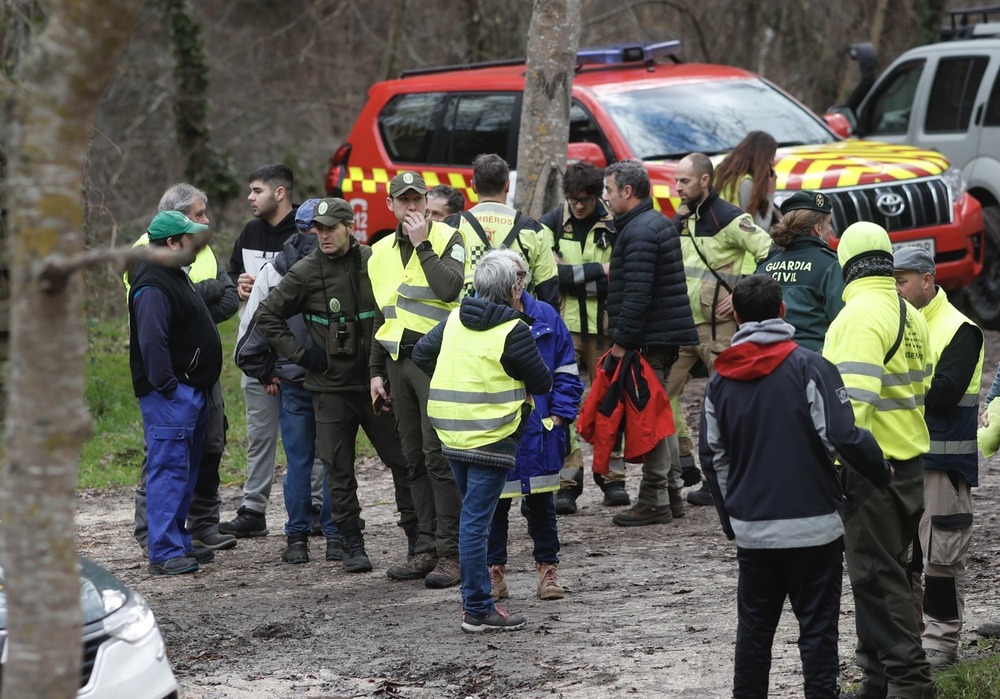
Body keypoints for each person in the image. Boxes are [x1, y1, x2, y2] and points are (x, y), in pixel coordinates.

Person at [700, 274, 891, 699]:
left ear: (738, 319)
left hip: (754, 532)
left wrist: (734, 518)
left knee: (753, 634)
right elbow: (842, 436)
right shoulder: (811, 366)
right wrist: (881, 473)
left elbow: (713, 459)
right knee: (818, 635)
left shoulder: (720, 378)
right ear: (782, 311)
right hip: (815, 528)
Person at [256, 197, 415, 574]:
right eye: (318, 230)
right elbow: (268, 314)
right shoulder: (307, 270)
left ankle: (417, 539)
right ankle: (349, 543)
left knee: (404, 462)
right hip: (329, 390)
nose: (323, 236)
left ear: (349, 228)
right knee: (338, 470)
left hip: (376, 386)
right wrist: (302, 355)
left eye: (330, 229)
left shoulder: (374, 260)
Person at [822, 222, 935, 699]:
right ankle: (876, 683)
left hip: (871, 473)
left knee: (877, 582)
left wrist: (832, 470)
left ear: (846, 263)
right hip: (909, 469)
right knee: (885, 579)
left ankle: (911, 686)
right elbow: (924, 386)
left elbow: (851, 411)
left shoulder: (857, 317)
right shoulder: (911, 315)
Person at [413, 249, 552, 633]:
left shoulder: (455, 318)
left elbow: (422, 353)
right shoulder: (514, 330)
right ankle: (476, 608)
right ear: (514, 288)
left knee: (472, 519)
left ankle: (478, 604)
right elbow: (542, 383)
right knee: (476, 523)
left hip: (451, 433)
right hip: (491, 437)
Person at [128, 184, 238, 556]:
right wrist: (170, 389)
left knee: (183, 474)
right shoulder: (153, 282)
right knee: (167, 472)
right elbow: (152, 343)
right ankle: (164, 551)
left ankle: (178, 540)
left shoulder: (174, 273)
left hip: (188, 390)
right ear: (173, 243)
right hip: (172, 395)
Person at [369, 171, 466, 588]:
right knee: (412, 458)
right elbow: (382, 313)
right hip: (396, 362)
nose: (411, 207)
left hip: (436, 359)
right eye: (402, 200)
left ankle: (453, 552)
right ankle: (424, 547)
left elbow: (449, 289)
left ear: (427, 201)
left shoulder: (448, 238)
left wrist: (422, 243)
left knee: (437, 456)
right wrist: (375, 371)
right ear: (390, 204)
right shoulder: (377, 252)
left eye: (417, 199)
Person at [234, 199, 342, 564]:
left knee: (298, 462)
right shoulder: (342, 264)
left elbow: (251, 335)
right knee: (333, 461)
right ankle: (335, 538)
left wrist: (269, 369)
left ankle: (296, 540)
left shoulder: (274, 270)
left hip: (293, 380)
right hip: (332, 381)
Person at [892, 246, 983, 670]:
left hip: (944, 468)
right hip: (907, 462)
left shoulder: (960, 328)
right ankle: (911, 643)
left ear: (927, 280)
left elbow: (944, 395)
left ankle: (941, 649)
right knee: (908, 561)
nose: (895, 289)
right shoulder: (898, 323)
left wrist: (893, 389)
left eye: (902, 281)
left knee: (941, 562)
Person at [670, 152, 773, 507]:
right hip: (683, 326)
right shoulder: (680, 218)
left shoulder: (729, 217)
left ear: (704, 181)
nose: (677, 188)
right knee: (660, 394)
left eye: (684, 181)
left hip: (720, 331)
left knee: (730, 403)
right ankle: (683, 464)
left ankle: (731, 477)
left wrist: (743, 291)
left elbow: (769, 250)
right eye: (676, 180)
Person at [601, 159, 698, 526]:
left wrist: (623, 341)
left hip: (647, 341)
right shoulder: (653, 222)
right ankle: (670, 494)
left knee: (651, 420)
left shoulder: (639, 231)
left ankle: (654, 499)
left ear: (627, 191)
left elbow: (637, 294)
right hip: (660, 337)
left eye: (609, 190)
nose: (606, 198)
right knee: (660, 416)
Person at [485, 249, 583, 603]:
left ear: (519, 282)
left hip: (540, 430)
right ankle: (494, 573)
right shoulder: (482, 318)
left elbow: (567, 372)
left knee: (542, 505)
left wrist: (559, 415)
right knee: (494, 505)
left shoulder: (546, 316)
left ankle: (548, 570)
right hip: (497, 430)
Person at [538, 161, 623, 514]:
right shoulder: (552, 222)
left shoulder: (614, 222)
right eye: (573, 200)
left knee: (608, 401)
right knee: (564, 405)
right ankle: (568, 481)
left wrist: (572, 275)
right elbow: (549, 274)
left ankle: (613, 477)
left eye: (585, 200)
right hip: (565, 327)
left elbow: (617, 273)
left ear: (596, 195)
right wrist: (594, 272)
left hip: (604, 326)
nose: (578, 206)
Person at [222, 164, 299, 538]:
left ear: (279, 193)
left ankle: (312, 509)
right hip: (253, 353)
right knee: (260, 435)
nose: (250, 198)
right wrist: (237, 284)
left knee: (305, 436)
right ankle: (253, 510)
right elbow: (232, 276)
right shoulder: (249, 232)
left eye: (257, 190)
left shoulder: (305, 231)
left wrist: (280, 363)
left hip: (295, 353)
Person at [446, 153, 560, 308]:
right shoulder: (533, 230)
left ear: (473, 186)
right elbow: (548, 289)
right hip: (517, 322)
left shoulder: (453, 225)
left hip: (464, 318)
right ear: (507, 185)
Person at [756, 190, 843, 352]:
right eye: (829, 223)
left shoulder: (765, 267)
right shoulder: (831, 264)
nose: (830, 230)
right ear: (818, 228)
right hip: (816, 358)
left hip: (770, 356)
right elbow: (842, 319)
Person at [714, 130, 780, 231]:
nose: (771, 164)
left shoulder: (721, 174)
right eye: (770, 159)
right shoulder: (746, 183)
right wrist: (770, 193)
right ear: (762, 159)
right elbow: (760, 229)